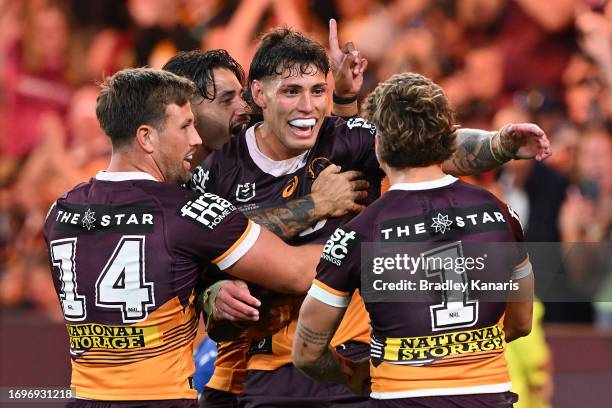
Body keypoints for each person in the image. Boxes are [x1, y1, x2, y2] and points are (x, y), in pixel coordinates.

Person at [193, 22, 549, 408]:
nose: (308, 107)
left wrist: (499, 144)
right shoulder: (215, 171)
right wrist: (214, 293)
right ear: (259, 93)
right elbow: (201, 254)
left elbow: (428, 145)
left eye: (317, 91)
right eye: (291, 92)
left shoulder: (345, 138)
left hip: (352, 362)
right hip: (264, 369)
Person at [43, 68, 322, 406]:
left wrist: (209, 292)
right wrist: (369, 241)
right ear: (146, 137)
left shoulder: (60, 211)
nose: (196, 139)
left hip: (83, 398)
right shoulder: (185, 211)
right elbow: (297, 272)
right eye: (185, 127)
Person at [292, 72, 535, 407]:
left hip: (401, 398)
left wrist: (351, 374)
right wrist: (464, 350)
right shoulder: (500, 212)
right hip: (488, 397)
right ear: (449, 140)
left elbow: (306, 353)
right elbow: (521, 323)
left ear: (378, 144)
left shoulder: (359, 232)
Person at [162, 48, 370, 408]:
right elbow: (214, 247)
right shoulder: (167, 192)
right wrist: (315, 207)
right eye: (228, 99)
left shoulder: (244, 156)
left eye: (242, 95)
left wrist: (346, 101)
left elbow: (342, 145)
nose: (243, 108)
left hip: (262, 369)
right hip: (227, 371)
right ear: (186, 110)